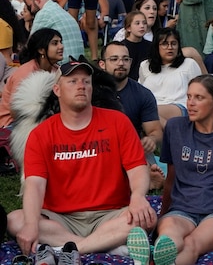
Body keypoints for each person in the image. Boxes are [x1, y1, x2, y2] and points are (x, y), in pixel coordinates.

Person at [8, 60, 157, 257]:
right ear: (57, 90)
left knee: (147, 218)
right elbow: (35, 184)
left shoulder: (118, 121)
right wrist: (30, 224)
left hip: (109, 214)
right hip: (60, 218)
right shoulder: (41, 133)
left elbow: (137, 168)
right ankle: (105, 244)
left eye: (86, 82)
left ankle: (69, 250)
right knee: (16, 220)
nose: (81, 86)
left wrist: (138, 197)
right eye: (72, 81)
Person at [127, 75, 213, 265]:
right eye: (188, 97)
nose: (191, 103)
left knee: (191, 243)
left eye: (199, 98)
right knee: (168, 238)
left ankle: (148, 261)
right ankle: (153, 255)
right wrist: (163, 214)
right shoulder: (175, 127)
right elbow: (171, 176)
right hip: (182, 208)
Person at [139, 28, 203, 127]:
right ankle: (171, 135)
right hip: (152, 108)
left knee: (146, 112)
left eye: (173, 43)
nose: (170, 47)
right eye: (164, 44)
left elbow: (200, 91)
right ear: (156, 46)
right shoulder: (145, 65)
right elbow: (142, 90)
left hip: (179, 106)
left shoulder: (189, 64)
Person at [0, 28, 63, 128]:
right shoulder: (26, 73)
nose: (61, 46)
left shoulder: (57, 70)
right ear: (41, 50)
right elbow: (15, 111)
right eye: (55, 43)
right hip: (13, 124)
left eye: (61, 42)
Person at [26, 0, 84, 64]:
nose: (31, 10)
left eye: (30, 6)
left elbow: (31, 45)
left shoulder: (44, 13)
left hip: (63, 65)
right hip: (78, 62)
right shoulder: (59, 10)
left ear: (37, 0)